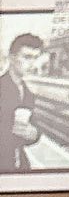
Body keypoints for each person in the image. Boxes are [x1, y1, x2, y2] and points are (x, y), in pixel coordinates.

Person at [0, 35, 45, 173]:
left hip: (19, 164)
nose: (32, 63)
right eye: (27, 57)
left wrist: (34, 134)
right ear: (12, 58)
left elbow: (33, 125)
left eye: (35, 58)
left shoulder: (28, 93)